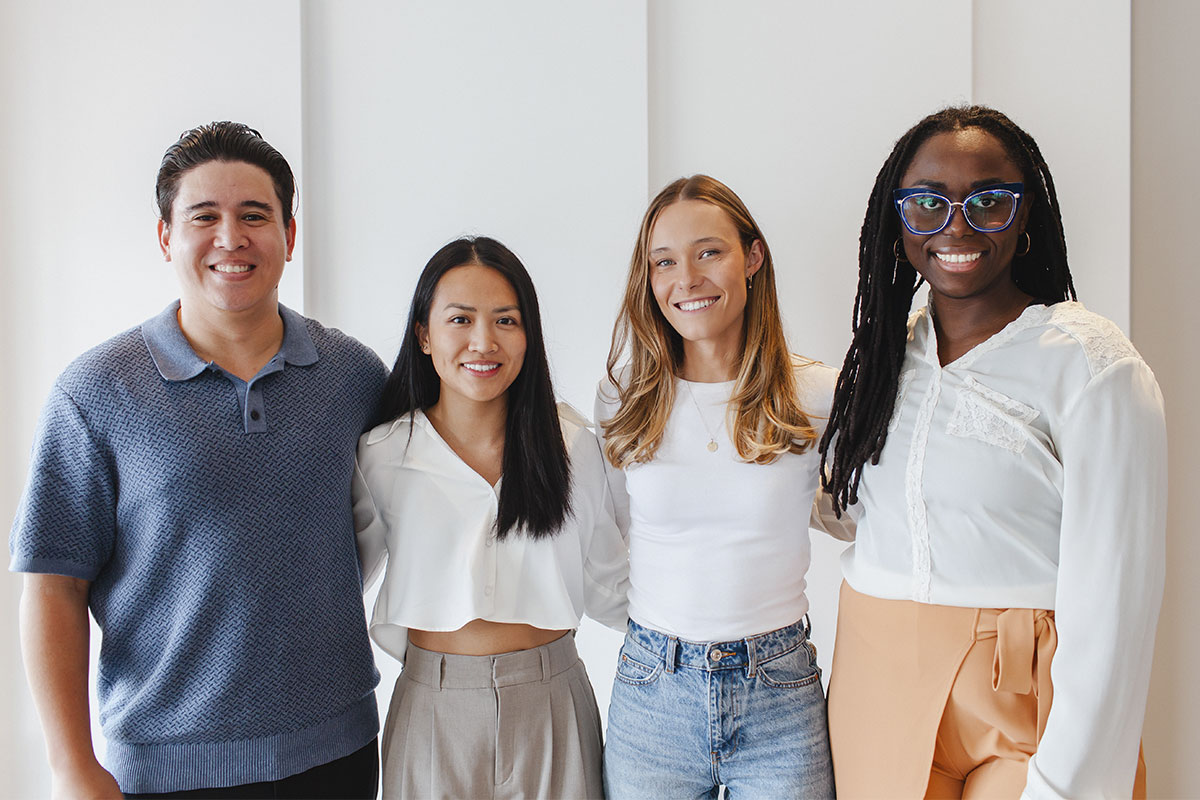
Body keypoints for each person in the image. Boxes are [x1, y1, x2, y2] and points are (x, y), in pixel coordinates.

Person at [9, 122, 386, 799]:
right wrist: (72, 768)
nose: (231, 239)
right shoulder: (96, 391)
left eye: (254, 216)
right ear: (166, 238)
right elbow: (51, 587)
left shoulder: (352, 375)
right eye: (203, 217)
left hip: (341, 754)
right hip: (164, 773)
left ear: (290, 236)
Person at [819, 105, 1166, 799]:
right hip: (874, 680)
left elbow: (1117, 602)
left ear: (1026, 213)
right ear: (897, 221)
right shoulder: (886, 357)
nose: (955, 226)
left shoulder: (1091, 366)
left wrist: (1073, 784)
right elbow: (854, 501)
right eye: (926, 202)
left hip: (1024, 694)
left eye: (988, 201)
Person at [595, 175, 849, 798]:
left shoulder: (814, 394)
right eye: (664, 262)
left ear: (752, 257)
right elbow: (606, 533)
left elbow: (866, 519)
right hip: (653, 694)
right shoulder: (625, 398)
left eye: (709, 251)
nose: (687, 278)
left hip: (780, 694)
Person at [352, 236, 628, 799]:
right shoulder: (383, 453)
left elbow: (611, 587)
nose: (484, 341)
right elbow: (341, 580)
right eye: (460, 319)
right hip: (433, 707)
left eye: (506, 319)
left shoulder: (573, 445)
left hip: (552, 705)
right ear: (424, 335)